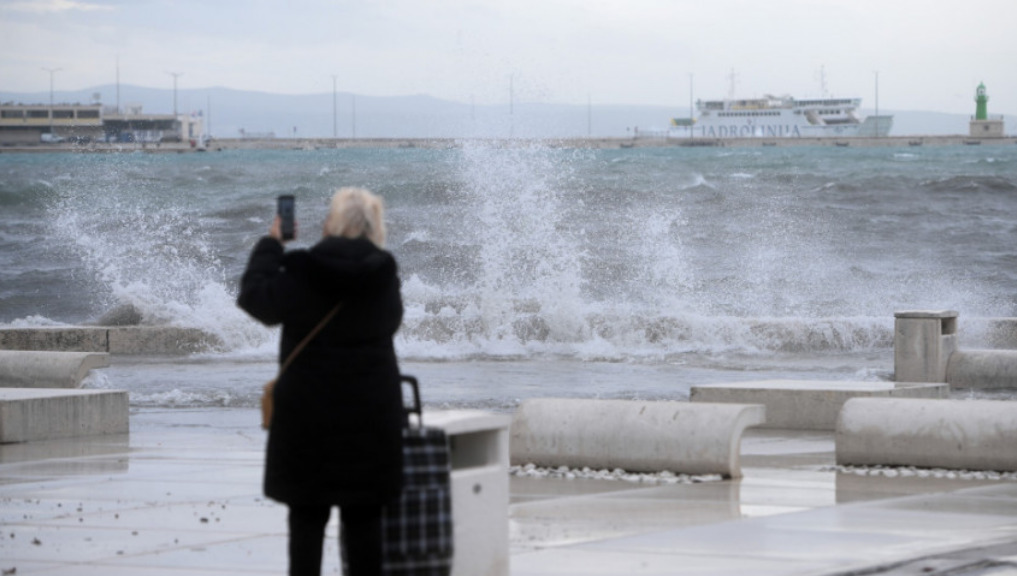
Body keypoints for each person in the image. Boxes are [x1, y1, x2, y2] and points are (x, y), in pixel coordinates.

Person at [237, 187, 405, 576]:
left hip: (307, 420)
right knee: (365, 528)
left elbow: (254, 298)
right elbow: (390, 322)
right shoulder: (384, 274)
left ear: (330, 223)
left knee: (307, 525)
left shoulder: (301, 269)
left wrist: (272, 243)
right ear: (375, 225)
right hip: (371, 419)